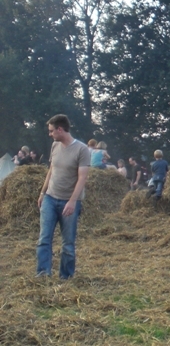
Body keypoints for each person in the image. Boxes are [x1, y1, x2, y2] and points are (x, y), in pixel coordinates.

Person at [36, 114, 91, 279]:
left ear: (60, 129)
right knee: (44, 239)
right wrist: (42, 193)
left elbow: (82, 178)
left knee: (68, 242)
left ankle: (66, 277)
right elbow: (51, 170)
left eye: (51, 131)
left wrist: (72, 201)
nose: (50, 134)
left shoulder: (82, 150)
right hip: (50, 199)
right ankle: (43, 274)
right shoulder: (54, 146)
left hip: (70, 202)